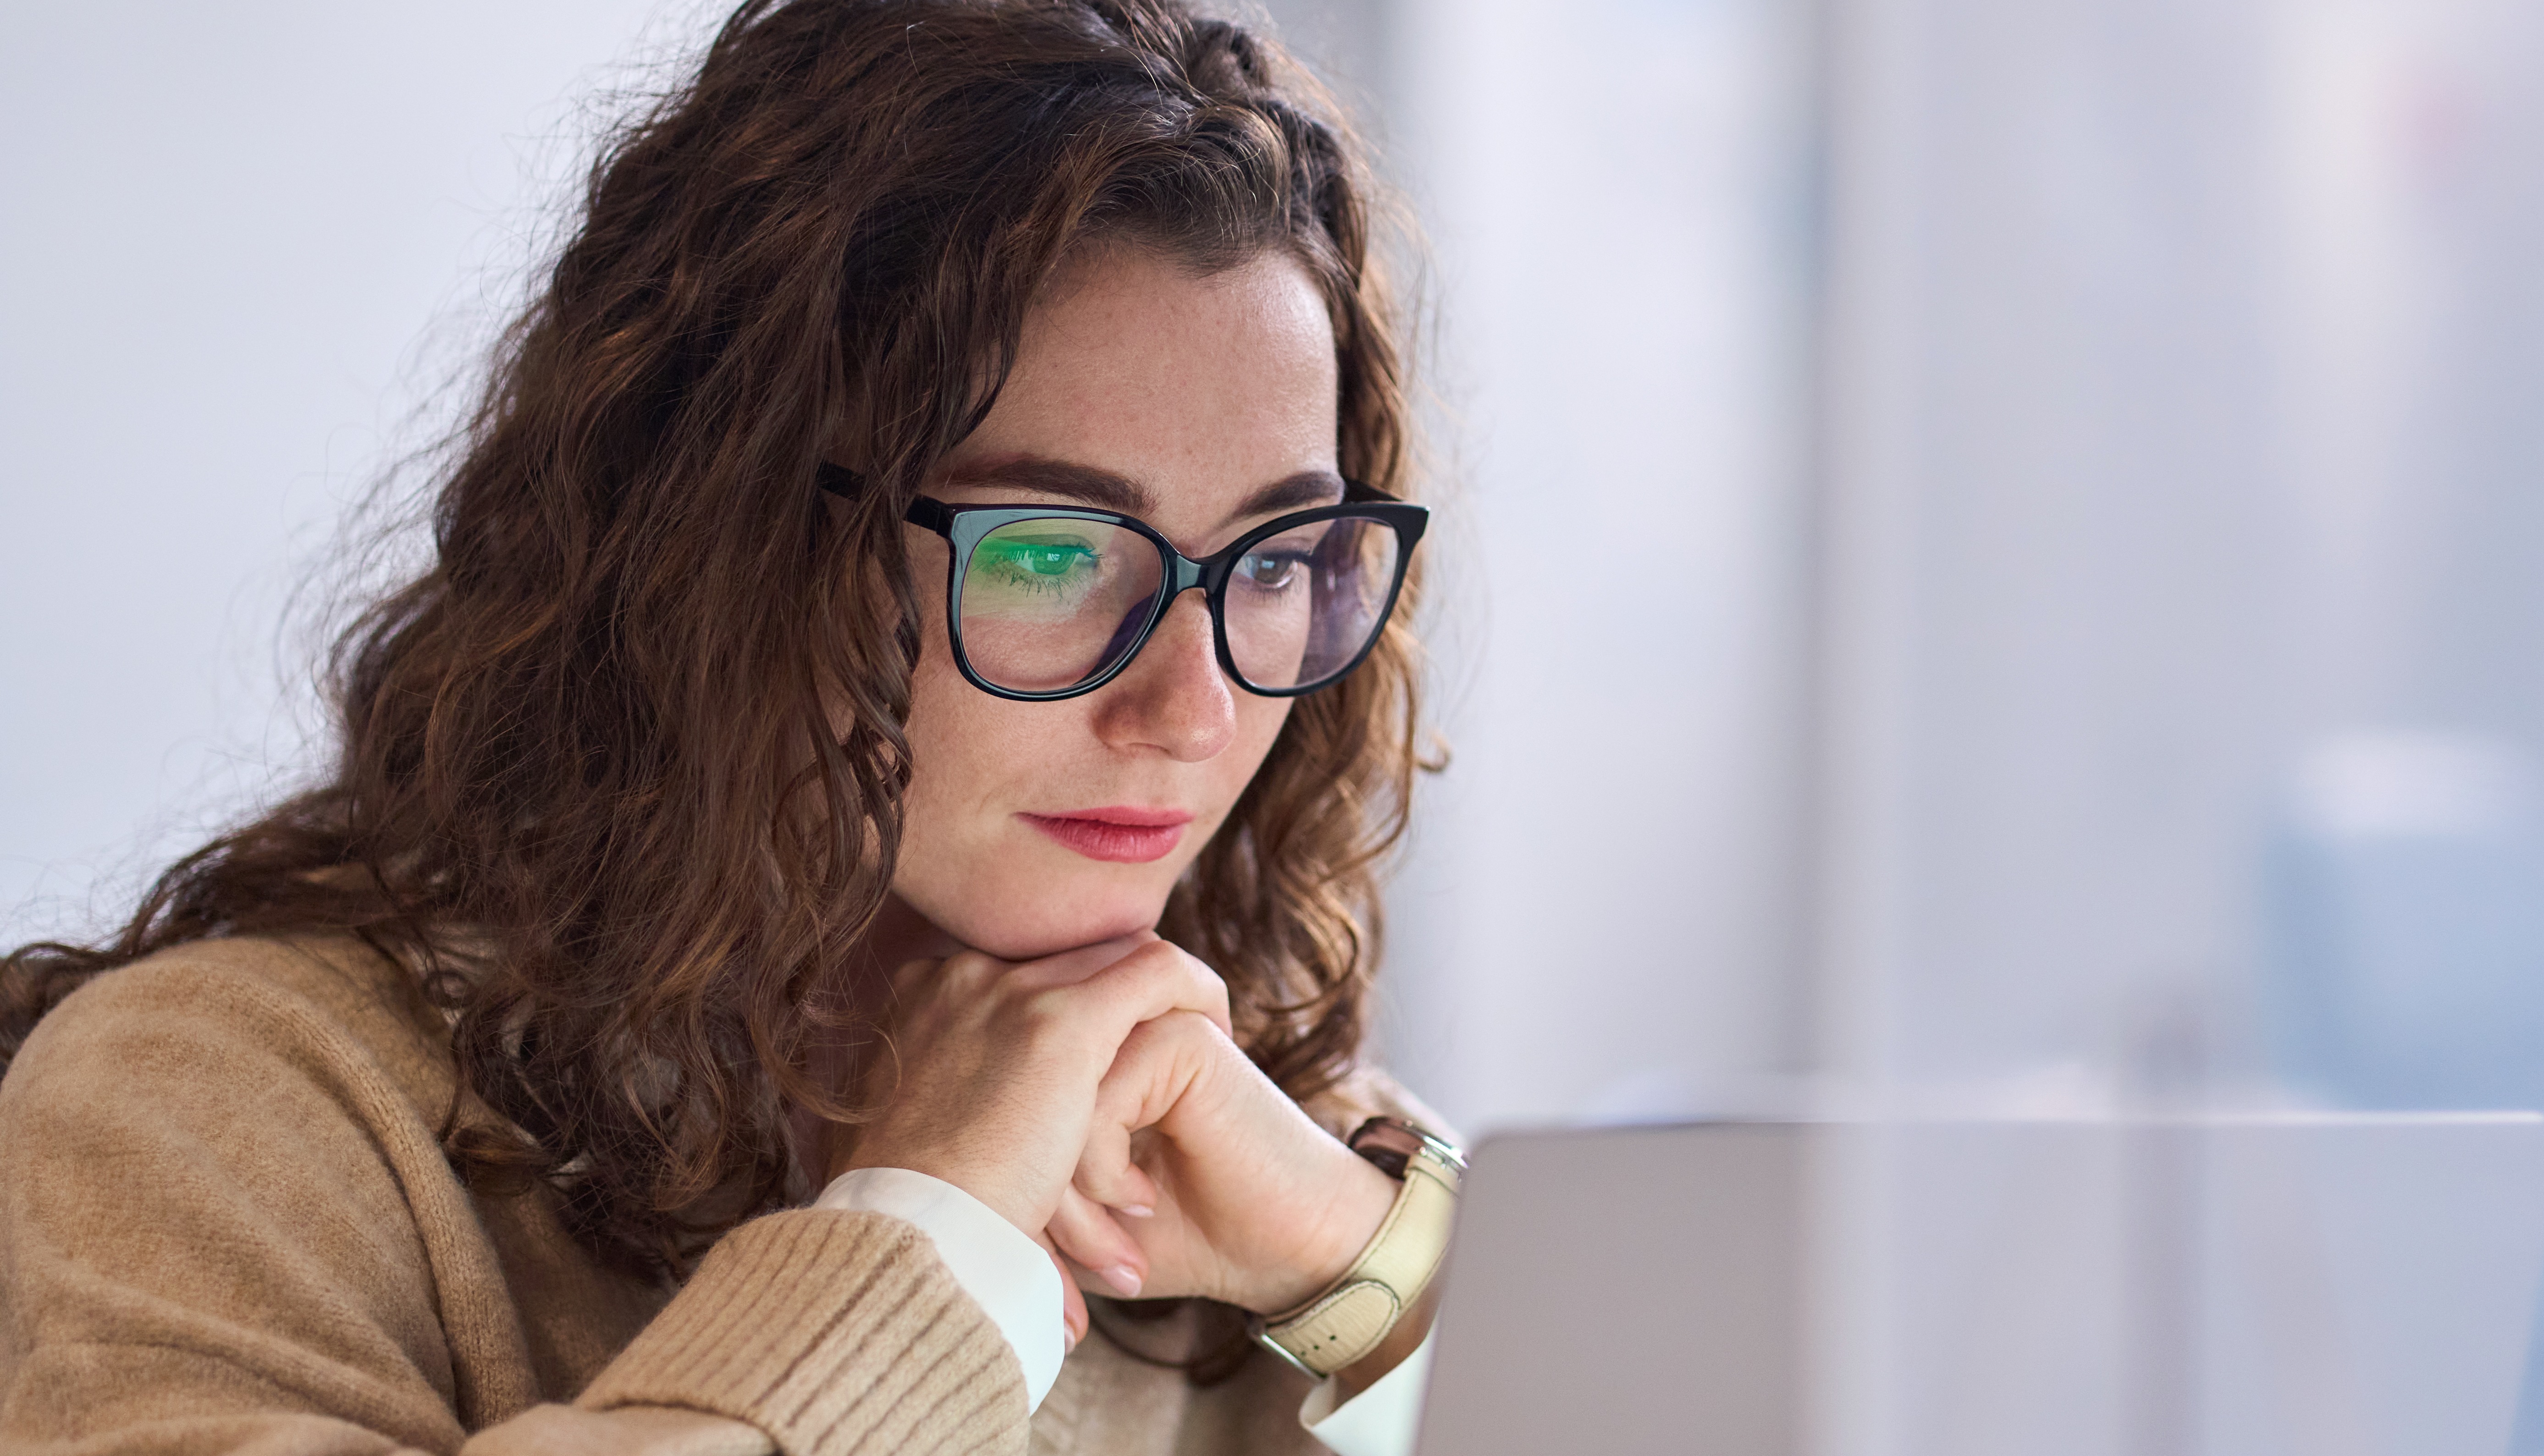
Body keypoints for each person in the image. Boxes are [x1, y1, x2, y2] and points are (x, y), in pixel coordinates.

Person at [0, 2, 1454, 1451]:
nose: (1194, 712)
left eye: (1275, 563)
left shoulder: (1264, 1147)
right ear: (726, 543)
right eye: (1050, 553)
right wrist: (927, 1241)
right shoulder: (206, 1114)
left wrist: (1379, 1282)